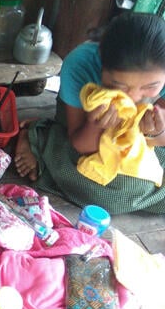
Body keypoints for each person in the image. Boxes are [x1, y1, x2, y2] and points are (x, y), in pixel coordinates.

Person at [15, 11, 165, 214]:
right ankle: (38, 134)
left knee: (137, 181)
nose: (133, 97)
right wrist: (96, 125)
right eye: (119, 86)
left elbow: (159, 140)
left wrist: (153, 134)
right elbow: (82, 145)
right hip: (82, 126)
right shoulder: (81, 63)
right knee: (114, 194)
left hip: (138, 137)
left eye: (149, 87)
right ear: (102, 64)